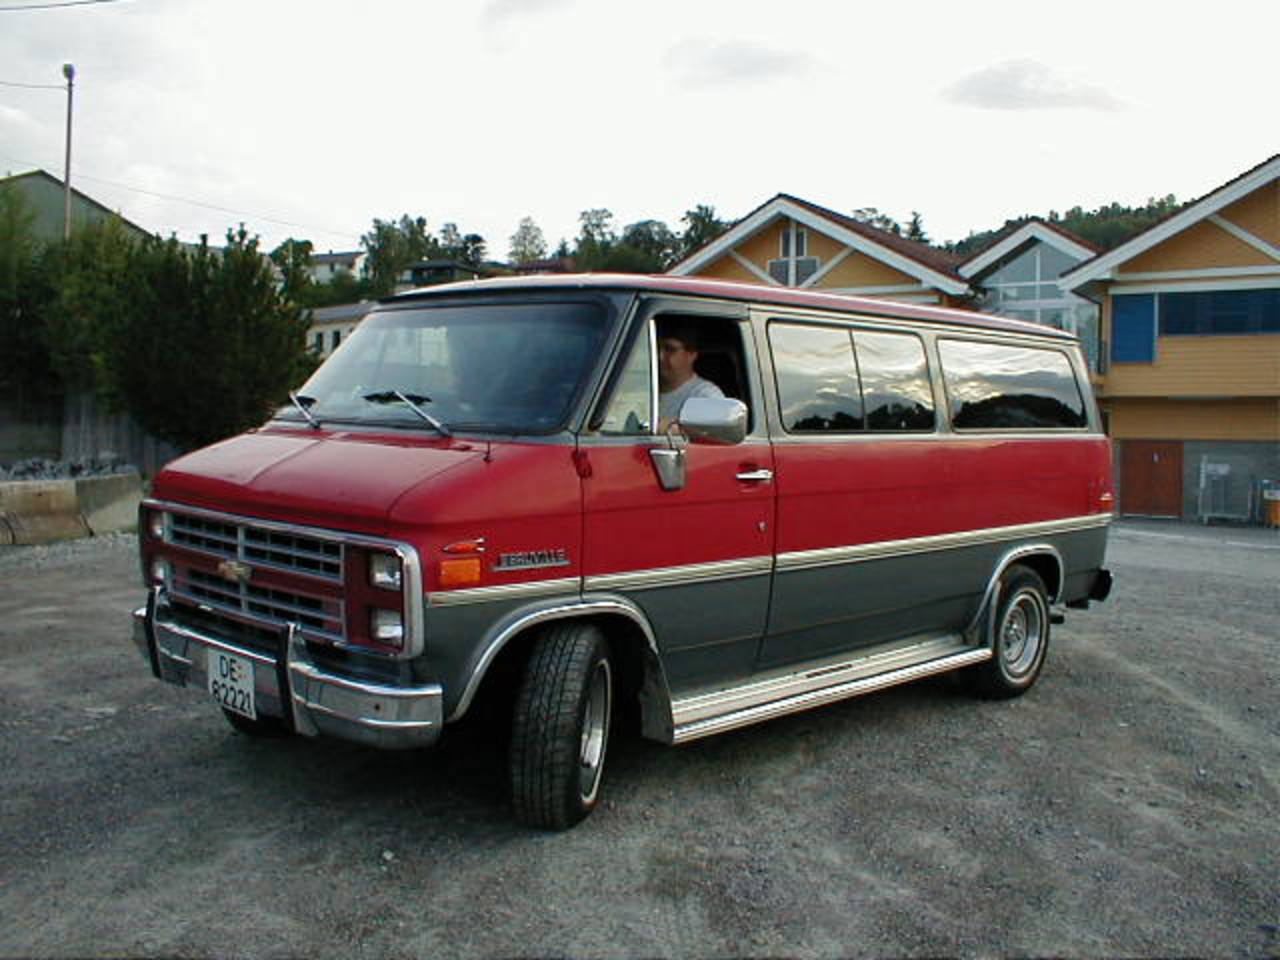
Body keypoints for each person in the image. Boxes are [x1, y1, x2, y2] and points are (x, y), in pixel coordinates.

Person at [657, 321, 723, 430]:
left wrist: (673, 428)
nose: (660, 356)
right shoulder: (640, 391)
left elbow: (716, 431)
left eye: (669, 349)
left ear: (691, 354)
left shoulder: (705, 395)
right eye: (656, 348)